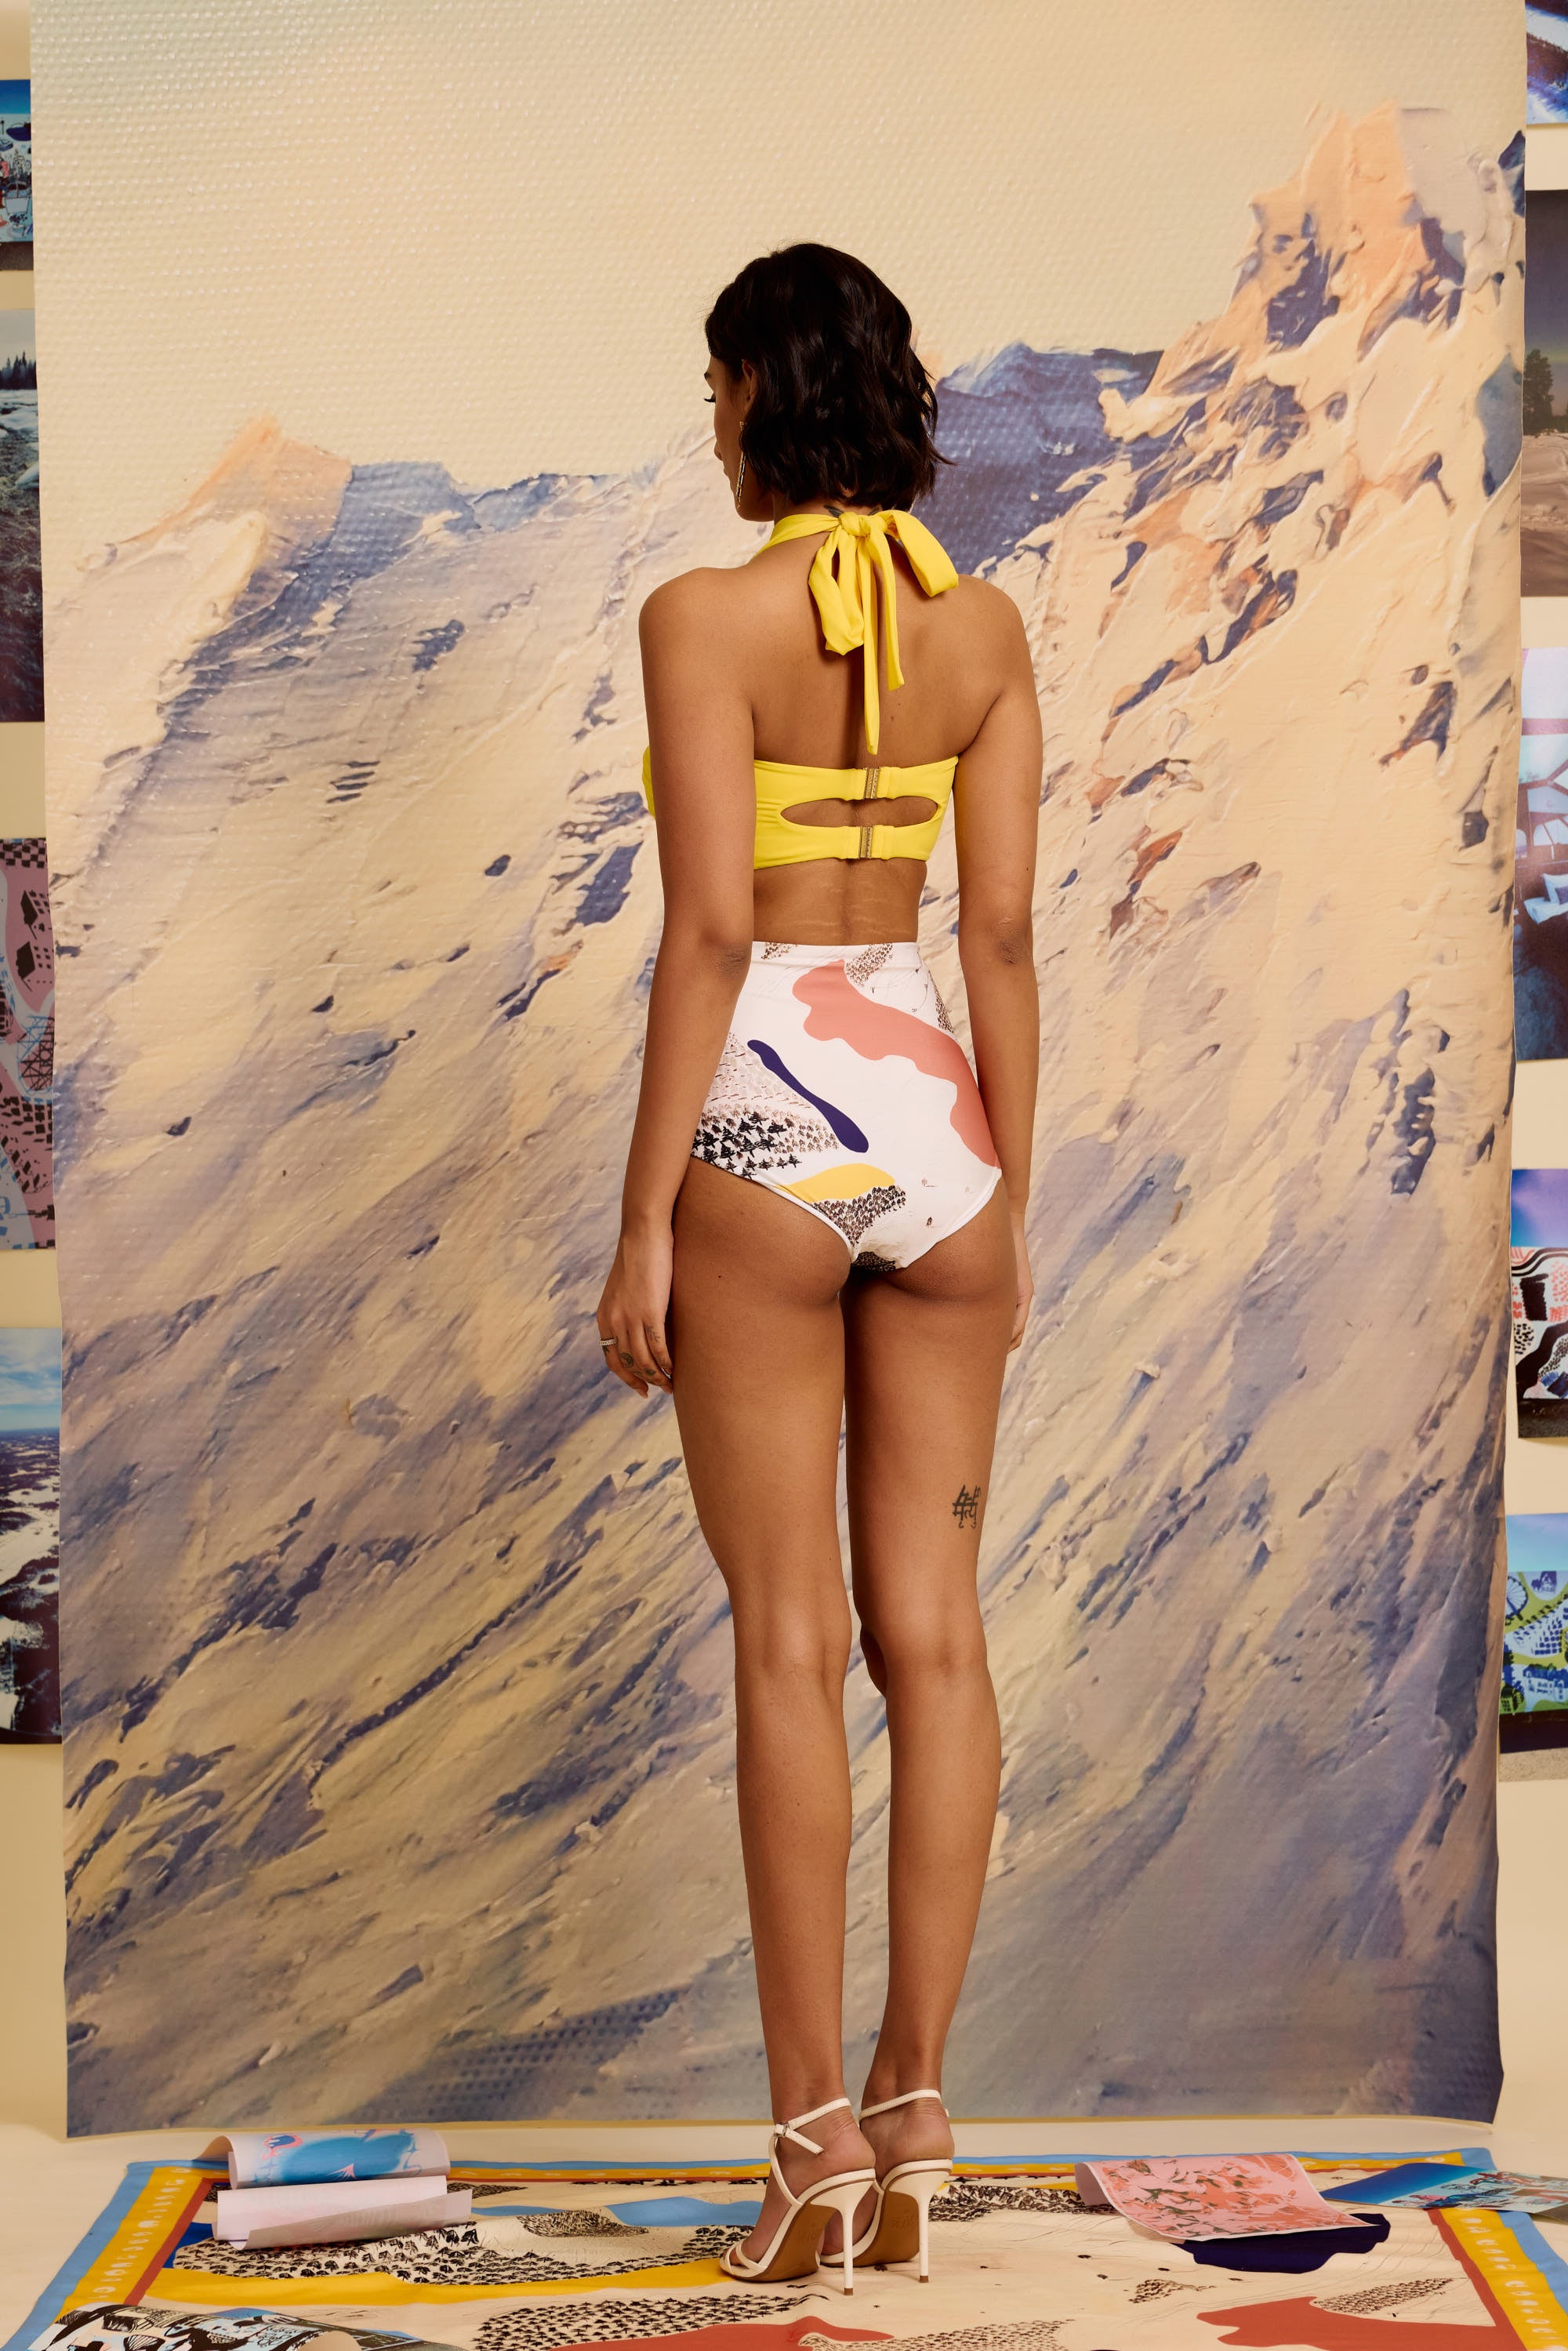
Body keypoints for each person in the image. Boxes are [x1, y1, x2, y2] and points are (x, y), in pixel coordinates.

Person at [596, 242, 1042, 2293]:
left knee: (791, 1648)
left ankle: (807, 2158)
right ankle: (917, 2104)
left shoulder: (703, 619)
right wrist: (1002, 1190)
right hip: (939, 1130)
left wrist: (643, 1222)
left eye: (717, 390)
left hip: (767, 1129)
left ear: (763, 395)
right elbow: (999, 938)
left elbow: (710, 934)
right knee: (935, 1643)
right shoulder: (984, 629)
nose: (711, 427)